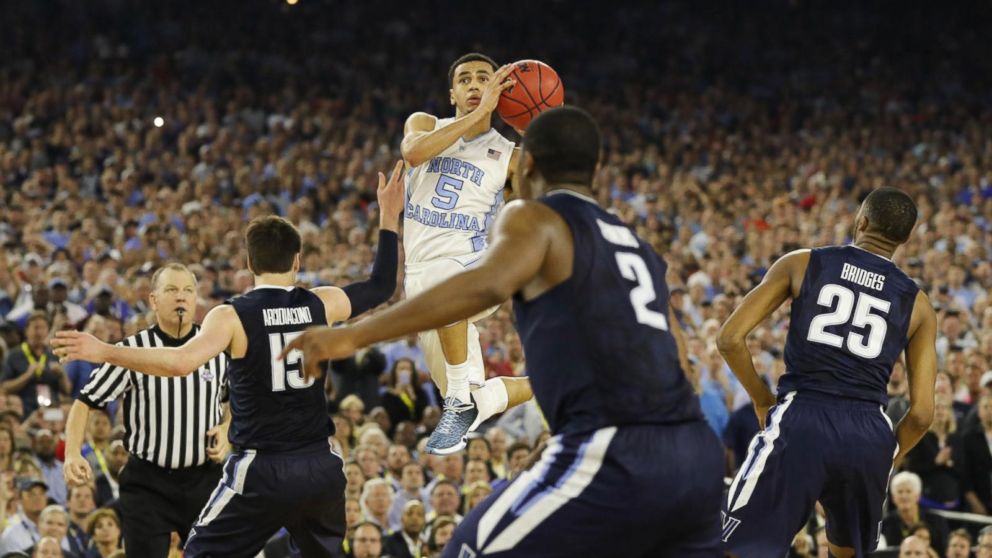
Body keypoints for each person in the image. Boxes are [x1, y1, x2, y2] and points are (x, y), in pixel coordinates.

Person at [285, 107, 723, 555]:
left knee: (466, 550)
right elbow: (683, 366)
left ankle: (466, 400)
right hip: (694, 453)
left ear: (526, 165)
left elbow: (484, 285)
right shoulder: (639, 248)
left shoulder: (535, 217)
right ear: (595, 169)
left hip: (613, 451)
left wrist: (352, 336)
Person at [53, 162, 405, 557]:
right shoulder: (321, 302)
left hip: (262, 469)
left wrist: (103, 350)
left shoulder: (231, 315)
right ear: (297, 262)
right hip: (321, 465)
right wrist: (389, 216)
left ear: (249, 263)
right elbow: (382, 285)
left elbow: (179, 363)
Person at [718, 187, 937, 558]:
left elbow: (729, 339)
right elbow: (921, 414)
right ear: (906, 238)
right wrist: (887, 454)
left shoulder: (803, 262)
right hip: (870, 431)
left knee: (738, 548)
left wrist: (762, 399)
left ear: (861, 221)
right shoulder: (918, 303)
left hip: (803, 416)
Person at [400, 52, 533, 454]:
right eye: (466, 80)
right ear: (453, 93)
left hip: (475, 266)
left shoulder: (510, 154)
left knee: (446, 287)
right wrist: (476, 118)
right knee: (475, 400)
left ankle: (457, 396)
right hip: (421, 282)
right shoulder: (425, 124)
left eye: (484, 79)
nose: (475, 85)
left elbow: (535, 206)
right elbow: (413, 154)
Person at [61, 263, 231, 557]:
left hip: (205, 479)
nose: (181, 297)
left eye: (188, 291)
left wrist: (228, 429)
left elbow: (237, 402)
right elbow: (84, 401)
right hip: (148, 483)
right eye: (172, 290)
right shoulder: (133, 349)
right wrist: (72, 452)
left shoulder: (217, 349)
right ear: (153, 300)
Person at [1, 312, 71, 417]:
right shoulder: (14, 355)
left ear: (48, 331)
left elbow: (67, 391)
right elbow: (4, 388)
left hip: (52, 411)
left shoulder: (53, 354)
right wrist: (27, 375)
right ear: (26, 331)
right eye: (36, 327)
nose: (39, 332)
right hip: (24, 410)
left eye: (43, 328)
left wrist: (62, 375)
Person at [881, 472, 949, 554]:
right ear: (893, 498)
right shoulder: (885, 524)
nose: (904, 496)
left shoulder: (937, 522)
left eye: (908, 491)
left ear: (918, 496)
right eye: (900, 492)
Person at [0, 479, 50, 554]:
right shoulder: (11, 533)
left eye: (41, 493)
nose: (37, 498)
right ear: (19, 499)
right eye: (31, 494)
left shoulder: (56, 527)